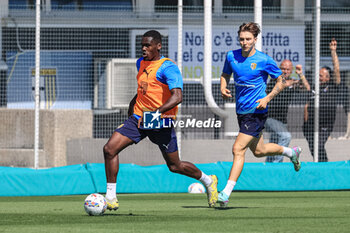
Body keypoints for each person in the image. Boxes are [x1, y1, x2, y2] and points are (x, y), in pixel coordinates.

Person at [103, 30, 218, 210]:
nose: (143, 48)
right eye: (142, 45)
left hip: (160, 120)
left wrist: (155, 113)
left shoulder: (168, 67)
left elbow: (177, 96)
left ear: (158, 46)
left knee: (175, 165)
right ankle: (110, 197)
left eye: (148, 45)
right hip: (139, 118)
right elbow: (144, 89)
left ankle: (208, 180)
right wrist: (132, 107)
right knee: (110, 149)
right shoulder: (140, 63)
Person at [218, 22, 301, 207]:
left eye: (248, 39)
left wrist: (267, 98)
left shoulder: (264, 60)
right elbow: (225, 74)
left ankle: (225, 192)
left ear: (255, 40)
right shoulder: (231, 56)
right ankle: (290, 151)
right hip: (242, 111)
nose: (244, 42)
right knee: (259, 151)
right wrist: (223, 86)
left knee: (237, 149)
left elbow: (281, 81)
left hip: (257, 112)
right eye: (241, 39)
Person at [303, 38, 341, 162]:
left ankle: (324, 166)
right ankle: (322, 165)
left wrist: (333, 52)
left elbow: (336, 70)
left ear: (328, 78)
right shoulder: (315, 87)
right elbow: (308, 103)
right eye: (318, 75)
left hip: (325, 124)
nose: (318, 77)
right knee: (313, 148)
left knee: (318, 145)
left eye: (321, 76)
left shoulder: (333, 87)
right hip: (311, 124)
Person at [265, 60, 310, 163]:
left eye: (287, 69)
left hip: (282, 121)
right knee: (286, 136)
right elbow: (283, 84)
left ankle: (269, 166)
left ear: (291, 71)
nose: (285, 71)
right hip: (269, 118)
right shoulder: (274, 80)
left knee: (275, 144)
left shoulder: (292, 82)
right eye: (283, 69)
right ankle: (277, 165)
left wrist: (300, 74)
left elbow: (307, 88)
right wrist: (294, 81)